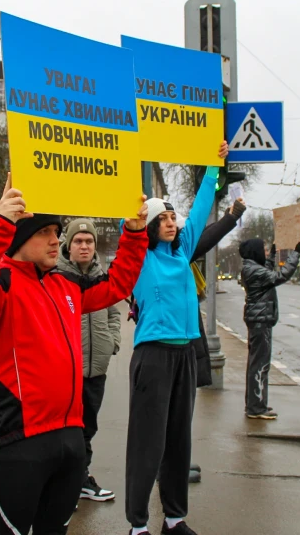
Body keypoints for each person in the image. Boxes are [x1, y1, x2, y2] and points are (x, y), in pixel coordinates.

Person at [0, 175, 149, 535]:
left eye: (56, 232)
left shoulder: (66, 285)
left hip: (70, 440)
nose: (55, 240)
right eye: (44, 232)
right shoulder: (0, 284)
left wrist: (136, 232)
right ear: (18, 238)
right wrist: (0, 224)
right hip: (19, 441)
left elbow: (118, 285)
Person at [125, 140, 228, 535]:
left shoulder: (181, 253)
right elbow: (129, 224)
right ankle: (137, 525)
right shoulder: (140, 257)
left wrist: (213, 168)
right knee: (147, 443)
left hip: (185, 353)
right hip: (152, 356)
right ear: (149, 225)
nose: (172, 221)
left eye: (172, 216)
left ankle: (174, 518)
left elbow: (201, 210)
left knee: (178, 441)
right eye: (164, 217)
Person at [56, 218, 121, 503]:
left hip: (97, 369)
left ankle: (80, 479)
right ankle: (64, 485)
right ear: (68, 246)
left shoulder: (101, 276)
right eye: (78, 241)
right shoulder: (55, 276)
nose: (84, 246)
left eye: (89, 241)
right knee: (66, 431)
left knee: (88, 427)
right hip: (66, 372)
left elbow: (114, 312)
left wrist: (112, 342)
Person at [186, 196, 246, 484]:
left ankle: (178, 462)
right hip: (169, 347)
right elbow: (203, 238)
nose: (176, 227)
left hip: (187, 344)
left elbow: (204, 237)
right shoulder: (163, 255)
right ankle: (168, 466)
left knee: (183, 411)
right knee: (170, 414)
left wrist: (230, 216)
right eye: (168, 221)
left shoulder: (180, 252)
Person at [238, 239, 300, 420]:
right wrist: (295, 254)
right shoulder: (254, 271)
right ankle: (256, 408)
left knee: (255, 364)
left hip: (258, 320)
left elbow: (266, 271)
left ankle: (254, 404)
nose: (265, 252)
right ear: (255, 251)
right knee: (260, 365)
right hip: (261, 322)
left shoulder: (251, 268)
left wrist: (273, 255)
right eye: (264, 250)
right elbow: (280, 276)